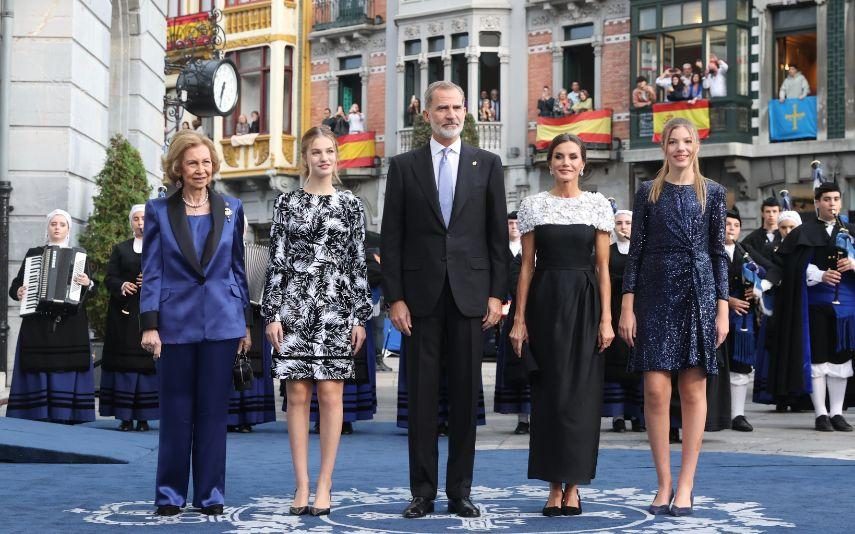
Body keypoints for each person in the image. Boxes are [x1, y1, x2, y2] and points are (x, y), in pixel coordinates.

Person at [382, 80, 508, 520]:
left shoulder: (487, 164)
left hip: (471, 297)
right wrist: (394, 299)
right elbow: (392, 240)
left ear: (465, 112)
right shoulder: (403, 166)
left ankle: (461, 491)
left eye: (457, 108)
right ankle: (422, 492)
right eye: (442, 108)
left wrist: (497, 294)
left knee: (463, 398)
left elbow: (496, 236)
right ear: (427, 114)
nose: (450, 115)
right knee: (420, 400)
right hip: (418, 302)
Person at [619, 117, 729, 517]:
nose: (680, 148)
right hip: (655, 292)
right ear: (663, 147)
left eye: (686, 141)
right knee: (654, 390)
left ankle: (686, 485)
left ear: (696, 146)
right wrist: (627, 304)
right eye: (673, 141)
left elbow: (718, 254)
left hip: (699, 292)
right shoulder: (648, 192)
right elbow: (635, 252)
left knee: (693, 390)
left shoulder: (713, 193)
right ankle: (663, 483)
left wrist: (721, 308)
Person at [140, 129, 253, 517]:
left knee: (212, 412)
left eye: (206, 162)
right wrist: (149, 324)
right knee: (175, 411)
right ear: (178, 168)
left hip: (223, 322)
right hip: (174, 324)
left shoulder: (231, 208)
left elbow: (237, 269)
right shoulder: (158, 210)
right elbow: (152, 270)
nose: (201, 169)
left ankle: (211, 495)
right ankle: (170, 495)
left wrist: (245, 324)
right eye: (192, 163)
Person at [263, 126, 372, 516]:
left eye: (329, 152)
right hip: (295, 304)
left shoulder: (351, 205)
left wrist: (361, 315)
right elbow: (276, 261)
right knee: (296, 395)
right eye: (316, 152)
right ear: (305, 158)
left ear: (336, 158)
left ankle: (325, 483)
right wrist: (272, 313)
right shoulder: (286, 203)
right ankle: (301, 484)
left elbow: (358, 263)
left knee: (330, 394)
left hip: (337, 308)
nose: (323, 158)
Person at [510, 133, 614, 517]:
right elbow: (525, 267)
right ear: (549, 163)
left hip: (586, 304)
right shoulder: (533, 206)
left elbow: (603, 267)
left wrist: (607, 318)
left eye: (573, 156)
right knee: (550, 397)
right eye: (559, 156)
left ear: (583, 163)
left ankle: (574, 485)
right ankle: (553, 487)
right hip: (545, 303)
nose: (566, 162)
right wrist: (518, 319)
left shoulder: (598, 205)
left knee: (581, 399)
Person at [770, 181, 855, 432]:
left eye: (836, 199)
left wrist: (853, 263)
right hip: (815, 304)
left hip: (847, 310)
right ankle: (821, 413)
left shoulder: (851, 230)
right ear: (817, 202)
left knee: (841, 361)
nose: (832, 204)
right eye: (827, 199)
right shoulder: (802, 232)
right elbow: (792, 266)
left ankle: (837, 412)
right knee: (818, 359)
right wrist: (819, 275)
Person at [7, 210, 96, 424]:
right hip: (39, 320)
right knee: (37, 362)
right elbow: (16, 286)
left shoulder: (80, 256)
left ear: (68, 229)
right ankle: (35, 413)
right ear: (48, 228)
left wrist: (88, 283)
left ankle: (67, 414)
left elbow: (92, 290)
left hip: (69, 322)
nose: (57, 227)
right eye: (53, 224)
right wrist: (18, 291)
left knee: (68, 363)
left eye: (62, 224)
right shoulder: (34, 254)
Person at [99, 204, 158, 432]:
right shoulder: (120, 249)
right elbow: (109, 278)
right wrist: (122, 284)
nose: (141, 223)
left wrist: (152, 282)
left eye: (144, 218)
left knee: (146, 366)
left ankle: (144, 417)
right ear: (131, 222)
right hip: (123, 316)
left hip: (150, 314)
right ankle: (124, 417)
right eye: (136, 219)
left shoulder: (159, 248)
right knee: (124, 366)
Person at [603, 209, 644, 433]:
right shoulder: (607, 252)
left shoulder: (641, 252)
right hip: (614, 311)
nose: (623, 227)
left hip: (638, 313)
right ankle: (617, 415)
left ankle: (637, 415)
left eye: (628, 222)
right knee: (616, 364)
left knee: (637, 364)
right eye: (619, 223)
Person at [494, 211, 531, 434]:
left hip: (541, 315)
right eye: (510, 223)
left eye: (518, 224)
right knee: (518, 364)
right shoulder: (501, 250)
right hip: (514, 311)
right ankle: (523, 418)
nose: (515, 227)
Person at [723, 210, 757, 432]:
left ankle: (738, 414)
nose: (732, 228)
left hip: (742, 319)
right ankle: (715, 413)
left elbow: (770, 271)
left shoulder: (746, 253)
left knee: (740, 367)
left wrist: (758, 290)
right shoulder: (709, 252)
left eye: (736, 225)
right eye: (727, 224)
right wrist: (728, 301)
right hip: (714, 315)